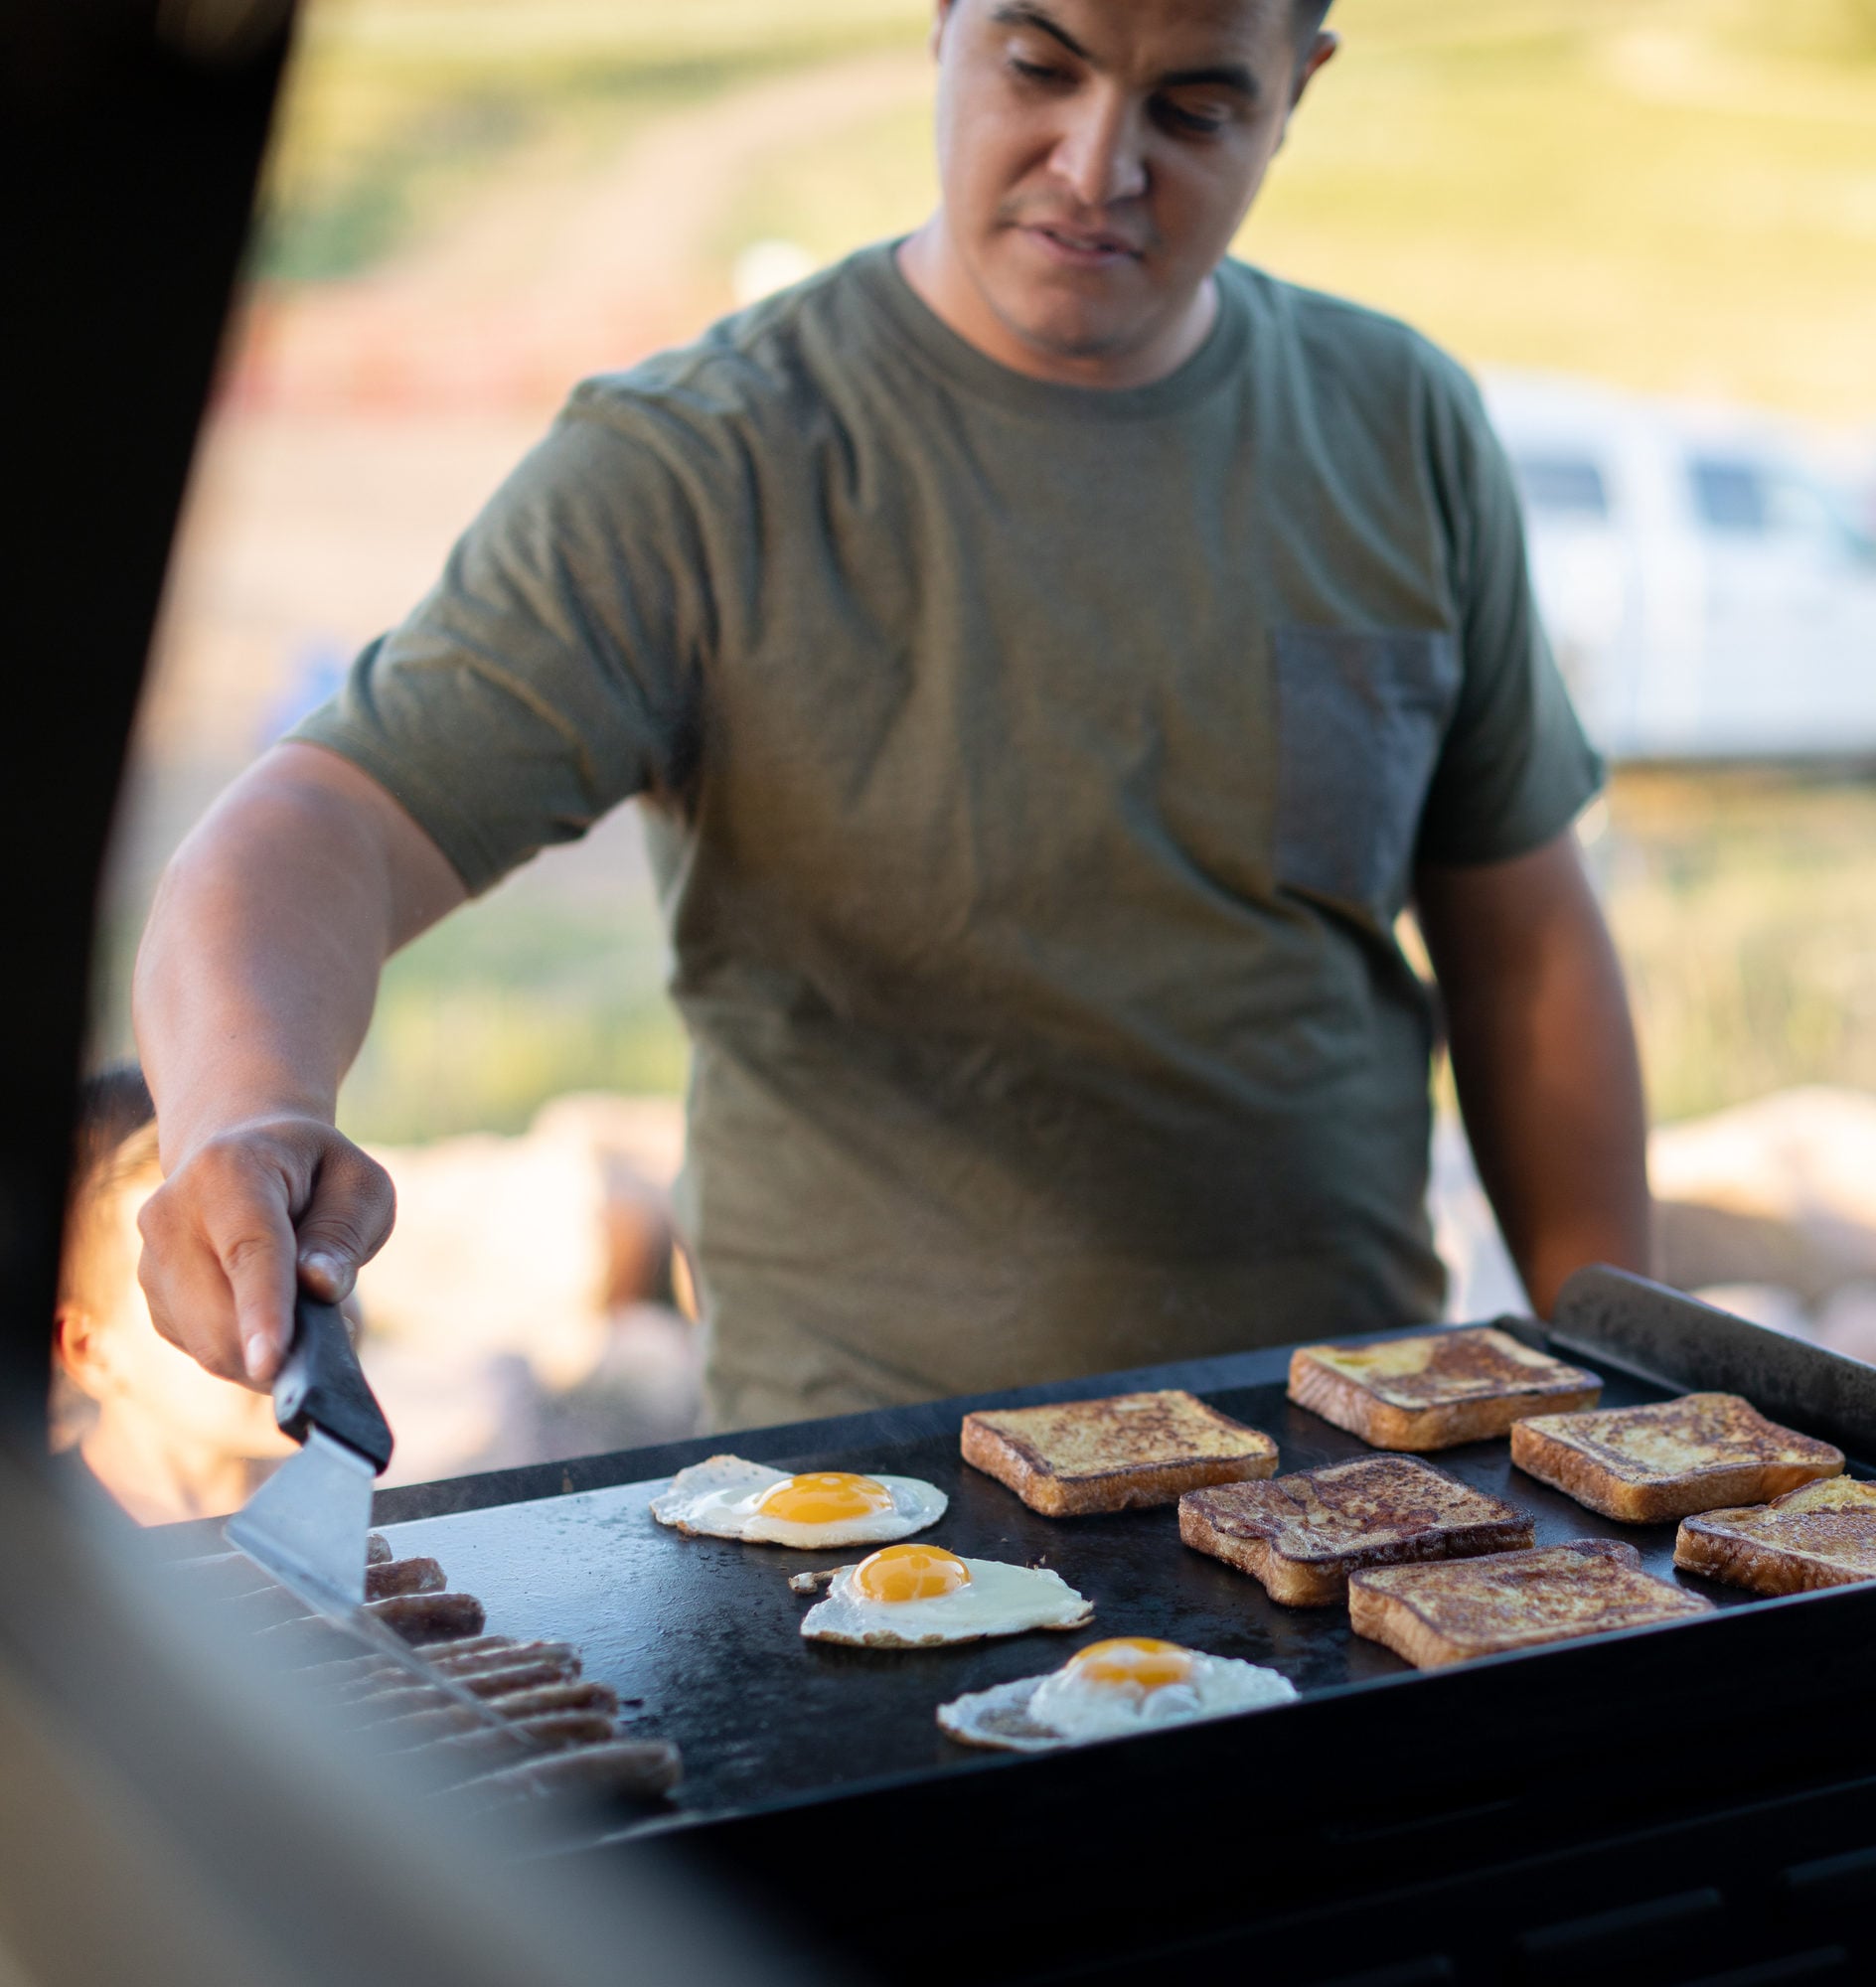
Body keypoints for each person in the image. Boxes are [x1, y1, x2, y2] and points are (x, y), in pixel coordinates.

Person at [129, 0, 1651, 1429]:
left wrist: (1623, 1368)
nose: (1098, 166)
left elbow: (1525, 951)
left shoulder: (1400, 422)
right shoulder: (694, 469)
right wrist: (244, 1111)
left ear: (1297, 94)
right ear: (942, 21)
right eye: (1040, 68)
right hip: (866, 1510)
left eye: (1191, 107)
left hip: (1343, 1451)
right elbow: (318, 826)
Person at [53, 1067, 294, 1523]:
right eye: (220, 1276)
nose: (286, 1302)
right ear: (92, 1351)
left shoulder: (332, 1510)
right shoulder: (43, 1557)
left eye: (289, 1242)